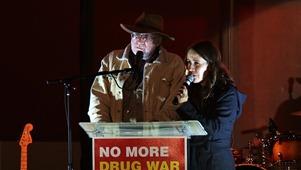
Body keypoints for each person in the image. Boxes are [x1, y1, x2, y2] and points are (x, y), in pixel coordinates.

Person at [87, 12, 185, 122]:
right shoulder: (111, 60)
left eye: (145, 37)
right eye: (135, 35)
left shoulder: (173, 64)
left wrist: (154, 132)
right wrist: (102, 130)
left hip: (156, 135)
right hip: (117, 135)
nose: (138, 41)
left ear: (157, 40)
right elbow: (98, 97)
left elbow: (176, 105)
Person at [175, 41, 246, 170]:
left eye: (196, 63)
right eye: (188, 62)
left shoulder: (227, 93)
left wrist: (186, 105)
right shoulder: (192, 90)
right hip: (191, 161)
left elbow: (215, 130)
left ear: (210, 65)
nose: (190, 68)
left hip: (214, 162)